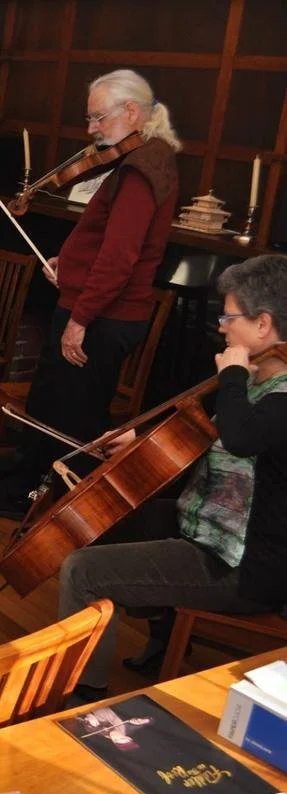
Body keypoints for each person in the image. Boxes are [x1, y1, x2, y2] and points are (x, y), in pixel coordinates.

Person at [57, 254, 287, 702]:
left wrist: (232, 375)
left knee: (83, 571)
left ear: (263, 324)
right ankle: (164, 633)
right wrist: (140, 438)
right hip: (215, 529)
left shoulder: (277, 396)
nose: (221, 326)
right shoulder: (258, 378)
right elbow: (205, 431)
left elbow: (241, 437)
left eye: (229, 317)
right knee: (125, 519)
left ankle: (84, 694)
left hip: (245, 565)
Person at [0, 69, 182, 519]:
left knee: (72, 423)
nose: (92, 129)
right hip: (94, 309)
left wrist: (79, 320)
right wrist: (72, 262)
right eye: (90, 118)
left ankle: (66, 517)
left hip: (100, 319)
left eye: (99, 117)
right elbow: (108, 242)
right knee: (50, 409)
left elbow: (120, 259)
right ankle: (24, 499)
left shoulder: (140, 170)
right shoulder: (143, 159)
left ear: (132, 112)